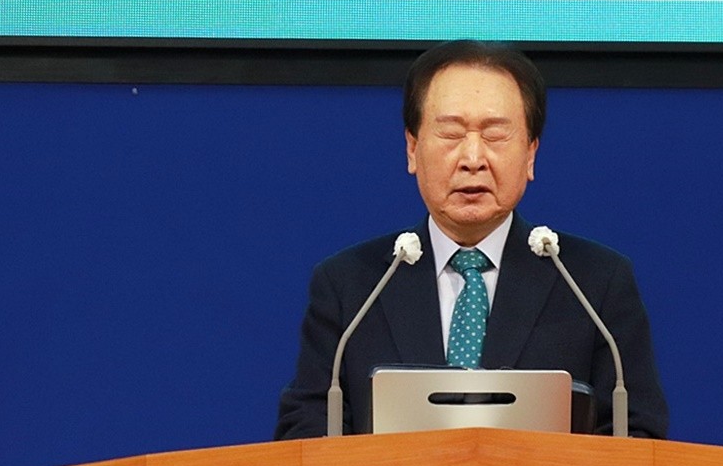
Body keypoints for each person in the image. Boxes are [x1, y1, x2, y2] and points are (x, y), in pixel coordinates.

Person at [274, 40, 668, 439]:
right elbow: (307, 431)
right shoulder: (350, 286)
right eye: (450, 134)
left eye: (495, 136)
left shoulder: (594, 284)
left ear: (531, 153)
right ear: (412, 149)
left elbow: (635, 431)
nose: (473, 159)